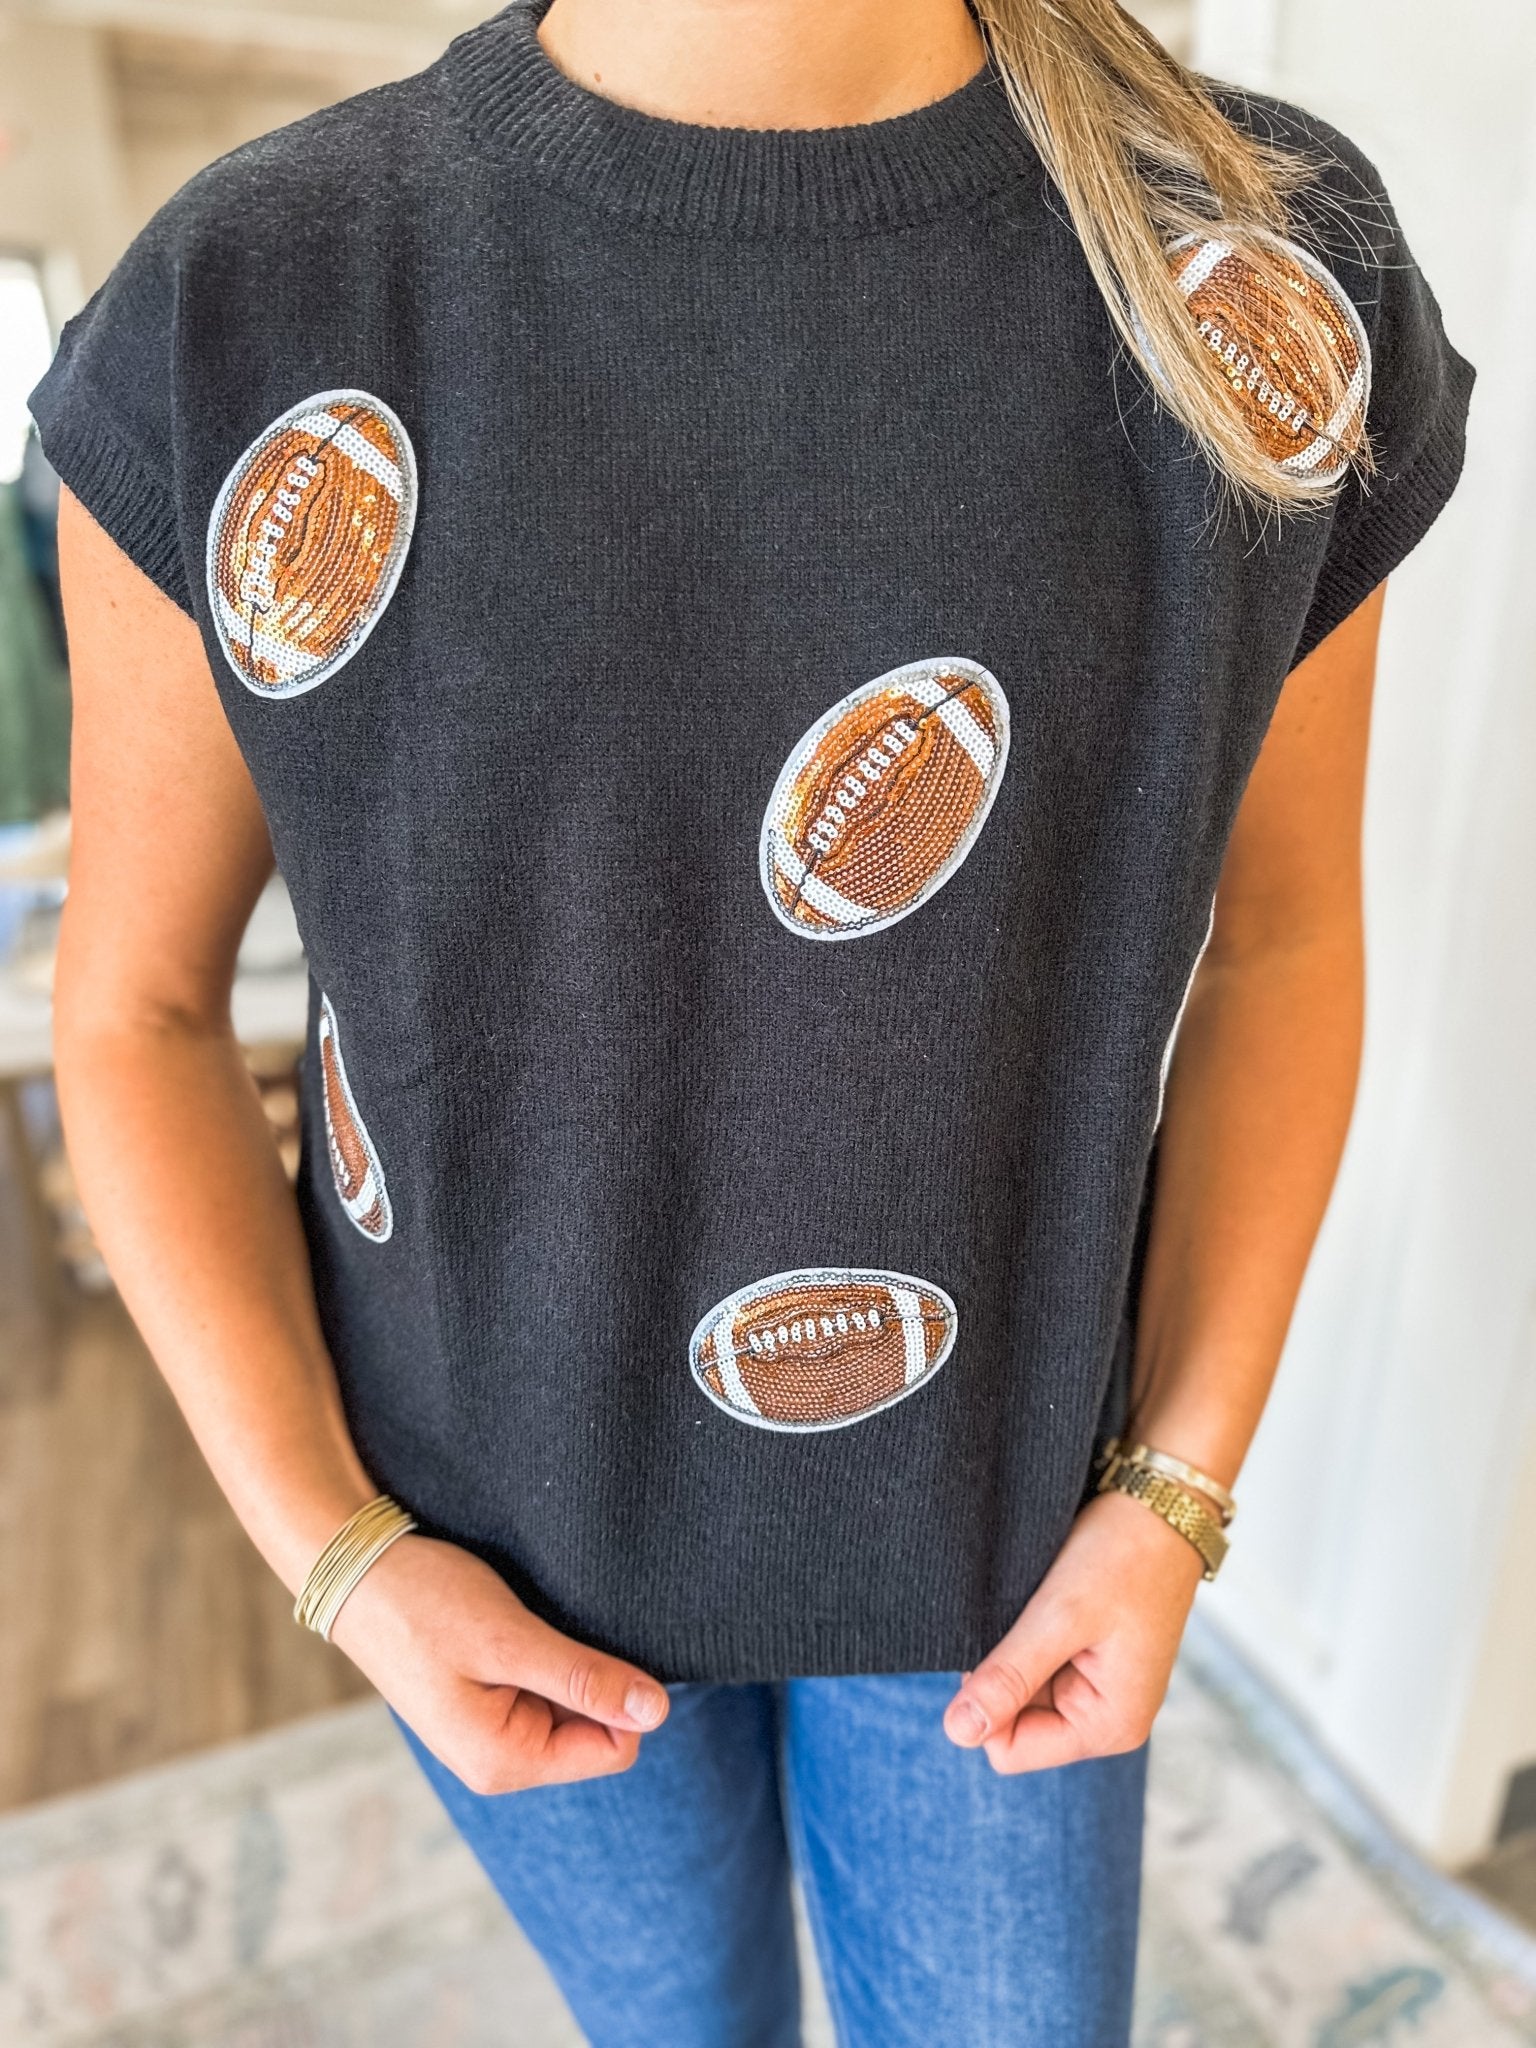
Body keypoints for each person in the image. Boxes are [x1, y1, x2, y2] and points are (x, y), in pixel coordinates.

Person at [29, 0, 1473, 2041]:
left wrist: (1176, 1493)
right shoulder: (248, 299)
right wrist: (337, 1552)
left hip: (1011, 1533)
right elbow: (144, 1004)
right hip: (487, 1534)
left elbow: (1285, 943)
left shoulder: (1259, 262)